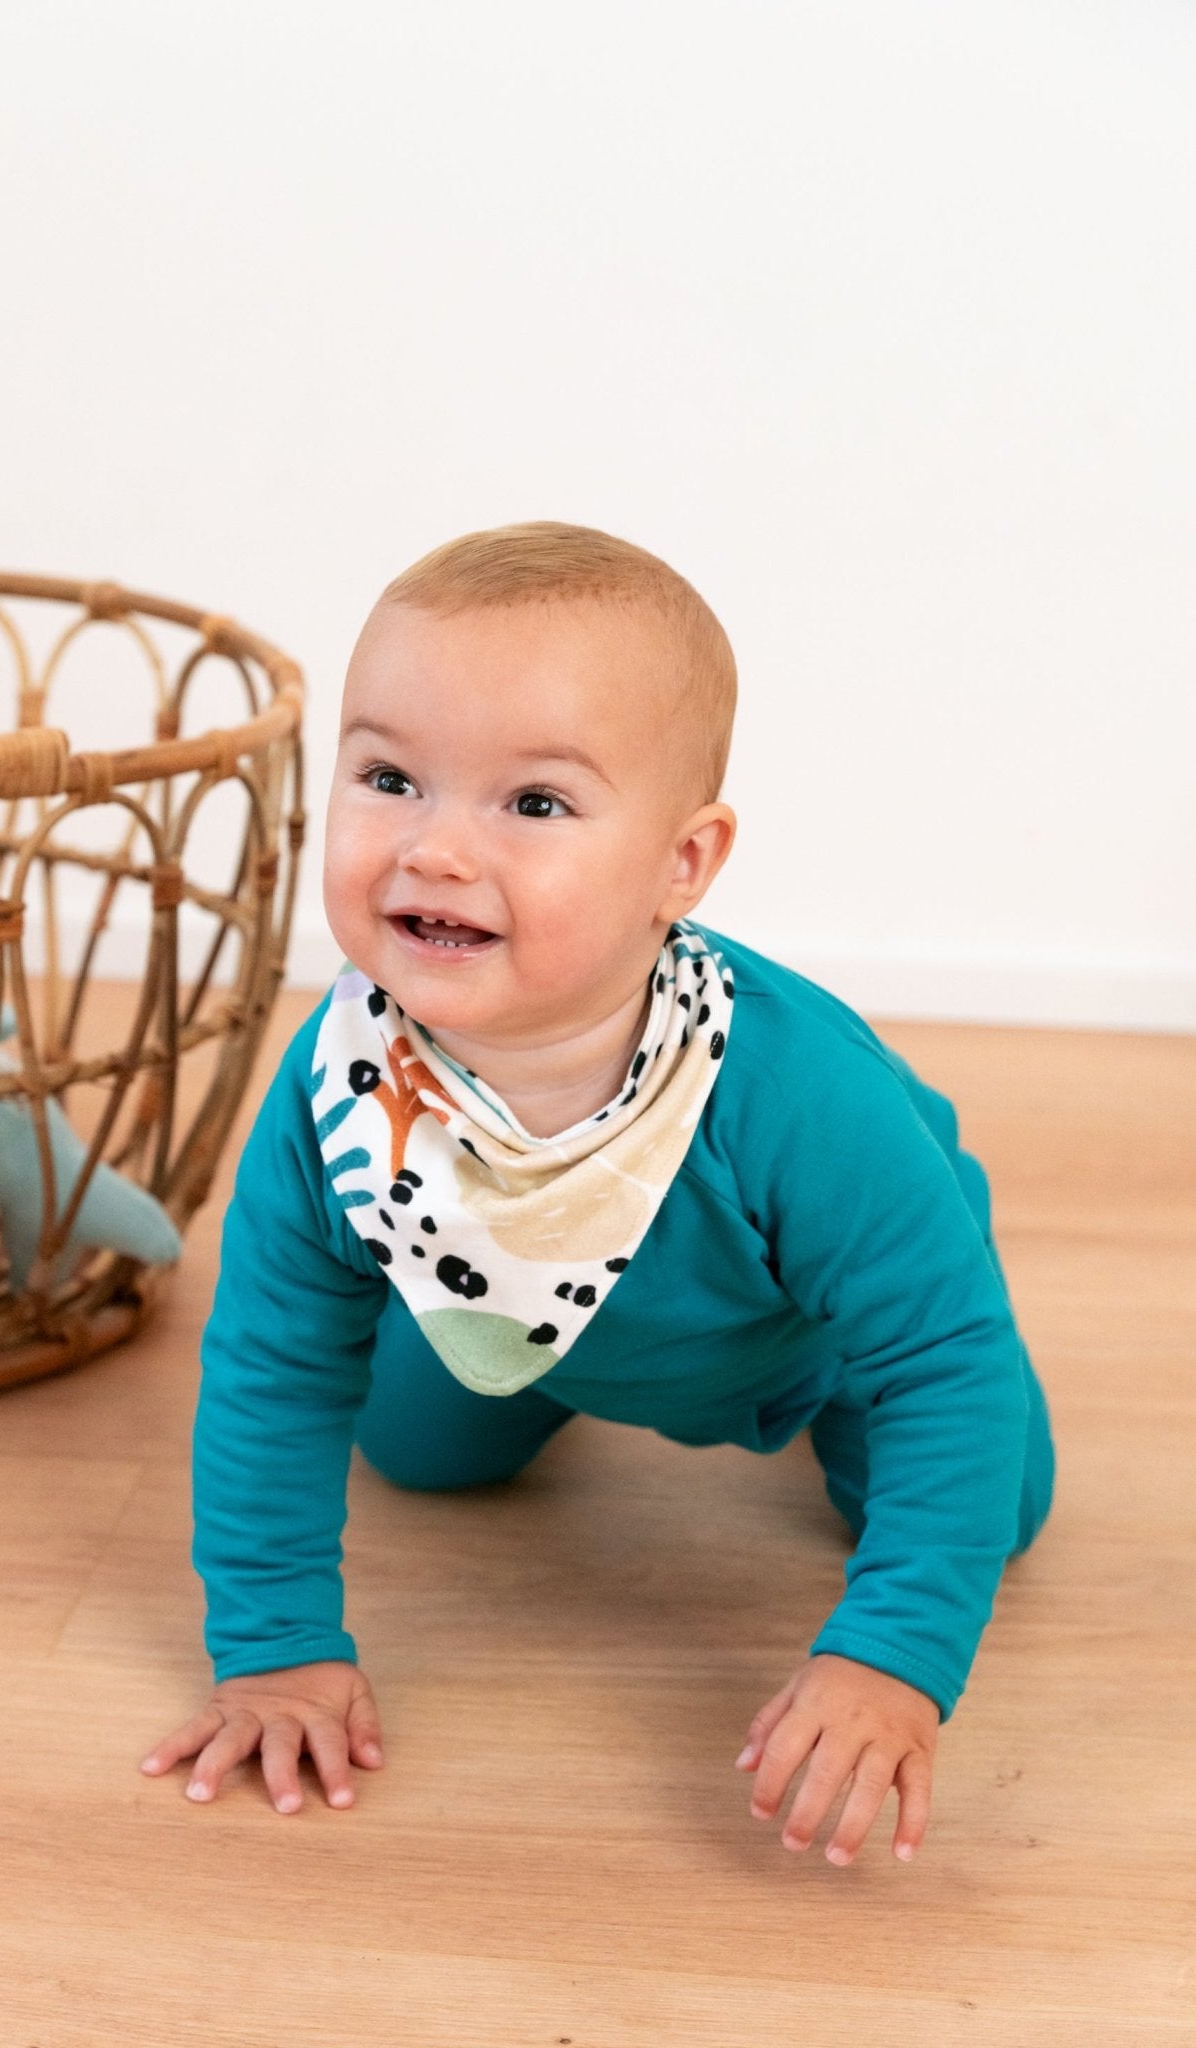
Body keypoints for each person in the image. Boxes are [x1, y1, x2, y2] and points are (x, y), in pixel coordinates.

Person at [139, 520, 1055, 1867]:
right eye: (390, 777)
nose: (436, 851)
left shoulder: (797, 1094)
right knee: (415, 1456)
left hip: (810, 1330)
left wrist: (891, 1658)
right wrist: (274, 1643)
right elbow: (273, 1360)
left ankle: (831, 1416)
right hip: (515, 1313)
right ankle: (527, 1351)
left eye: (533, 804)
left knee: (987, 1494)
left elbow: (941, 1357)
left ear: (680, 867)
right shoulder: (334, 1090)